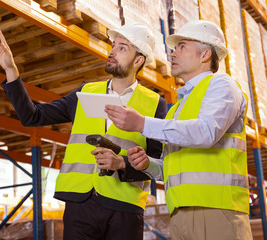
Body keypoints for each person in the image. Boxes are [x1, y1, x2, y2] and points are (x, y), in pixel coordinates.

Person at [0, 23, 167, 240]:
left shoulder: (154, 104)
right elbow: (32, 116)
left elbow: (158, 165)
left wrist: (122, 164)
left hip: (125, 209)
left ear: (138, 60)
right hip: (80, 205)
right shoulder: (86, 92)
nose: (112, 51)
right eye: (113, 46)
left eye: (122, 48)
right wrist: (11, 70)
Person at [105, 20, 253, 240]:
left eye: (182, 46)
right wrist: (148, 165)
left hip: (217, 209)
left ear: (205, 55)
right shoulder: (178, 109)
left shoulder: (222, 85)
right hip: (180, 212)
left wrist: (142, 124)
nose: (172, 54)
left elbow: (206, 132)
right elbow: (172, 167)